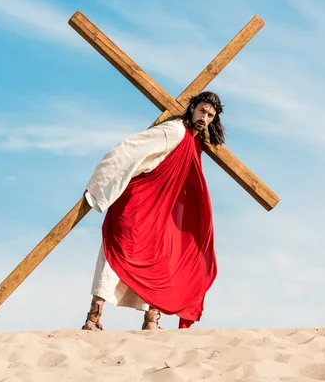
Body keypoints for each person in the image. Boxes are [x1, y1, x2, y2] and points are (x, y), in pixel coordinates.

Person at [81, 91, 226, 331]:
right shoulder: (175, 131)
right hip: (137, 206)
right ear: (192, 108)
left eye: (210, 115)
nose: (205, 118)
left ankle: (151, 321)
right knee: (116, 256)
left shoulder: (194, 140)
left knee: (160, 260)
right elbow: (130, 149)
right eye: (202, 111)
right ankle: (93, 318)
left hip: (159, 211)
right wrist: (101, 185)